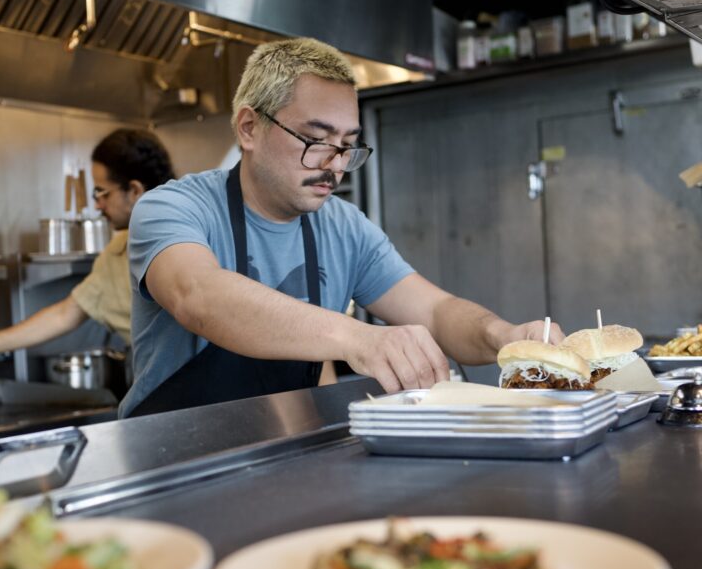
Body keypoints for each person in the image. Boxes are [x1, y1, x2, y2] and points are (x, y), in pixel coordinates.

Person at [120, 37, 562, 418]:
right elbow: (198, 294)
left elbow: (434, 311)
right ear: (249, 127)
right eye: (316, 140)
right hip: (170, 459)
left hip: (280, 449)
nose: (335, 166)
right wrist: (360, 339)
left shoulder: (343, 227)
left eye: (348, 146)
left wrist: (503, 336)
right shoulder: (173, 207)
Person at [0, 128, 175, 380]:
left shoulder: (188, 236)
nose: (96, 204)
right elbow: (64, 315)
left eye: (102, 192)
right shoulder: (116, 255)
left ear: (134, 190)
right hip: (157, 389)